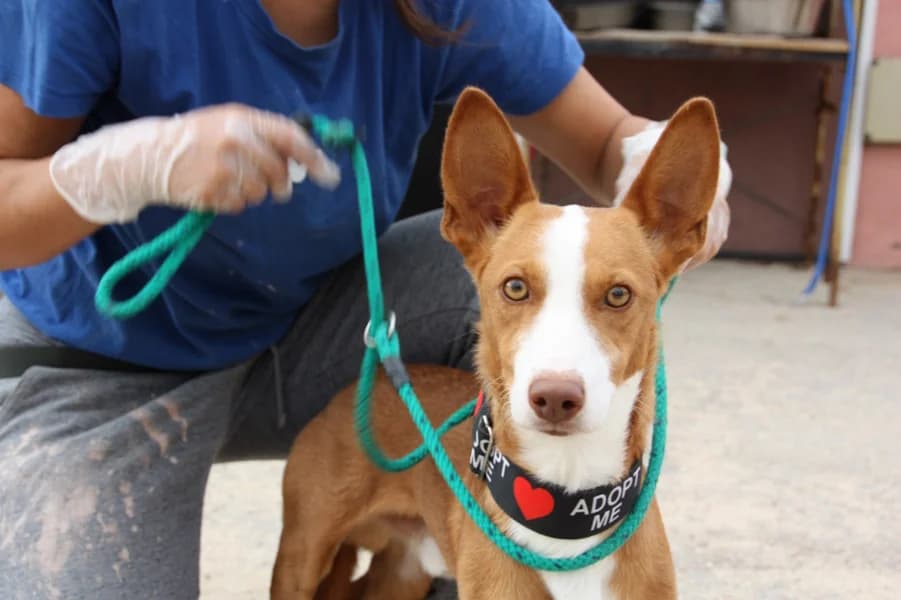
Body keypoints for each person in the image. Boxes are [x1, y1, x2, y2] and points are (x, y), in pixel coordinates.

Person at [0, 1, 731, 597]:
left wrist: (651, 160)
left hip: (323, 329)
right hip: (106, 357)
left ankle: (460, 568)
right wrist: (119, 168)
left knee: (506, 278)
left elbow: (607, 140)